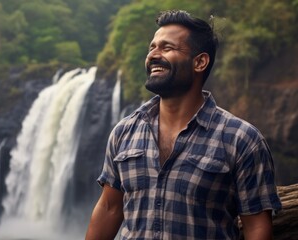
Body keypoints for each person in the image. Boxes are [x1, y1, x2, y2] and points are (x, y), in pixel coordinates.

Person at [85, 9, 282, 240]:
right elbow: (109, 208)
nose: (153, 55)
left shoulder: (242, 139)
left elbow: (256, 226)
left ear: (200, 62)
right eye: (152, 47)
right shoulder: (124, 132)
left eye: (167, 48)